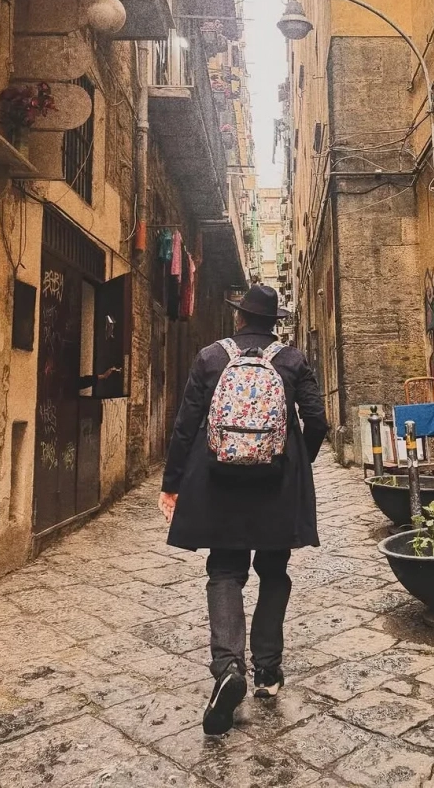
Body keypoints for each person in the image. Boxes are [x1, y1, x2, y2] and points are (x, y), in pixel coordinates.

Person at [159, 284, 328, 736]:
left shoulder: (211, 358)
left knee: (225, 571)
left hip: (220, 483)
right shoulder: (292, 360)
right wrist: (298, 461)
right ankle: (267, 671)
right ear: (274, 323)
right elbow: (317, 420)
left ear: (239, 317)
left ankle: (228, 668)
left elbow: (185, 425)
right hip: (276, 484)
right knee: (274, 571)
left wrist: (172, 484)